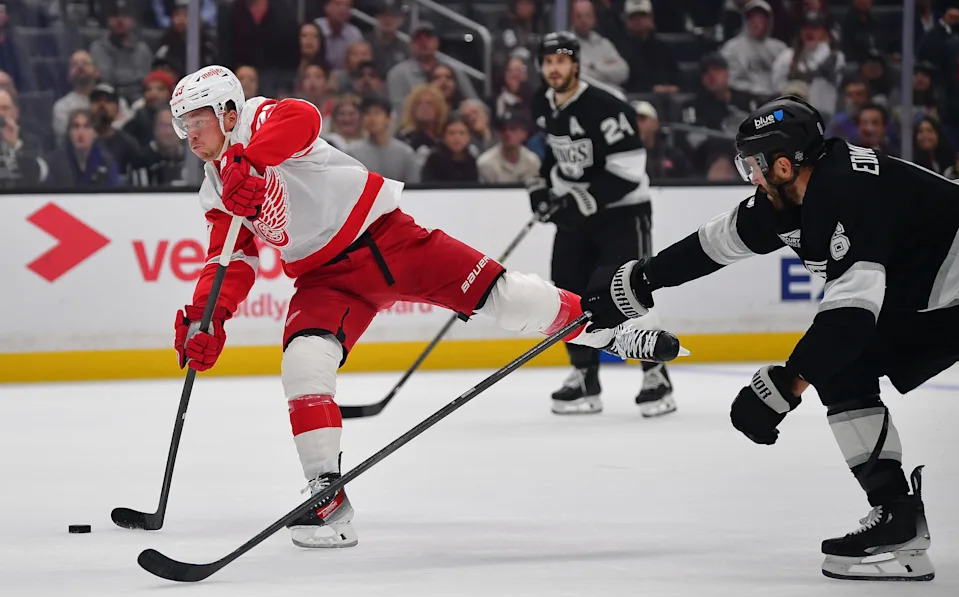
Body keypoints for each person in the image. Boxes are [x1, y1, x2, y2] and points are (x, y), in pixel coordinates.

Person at [168, 65, 673, 550]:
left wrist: (252, 159)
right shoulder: (214, 187)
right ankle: (327, 496)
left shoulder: (258, 118)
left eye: (197, 121)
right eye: (182, 125)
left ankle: (609, 332)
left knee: (508, 296)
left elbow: (303, 117)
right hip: (325, 280)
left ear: (229, 111)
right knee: (302, 361)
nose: (189, 136)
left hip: (387, 240)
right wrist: (208, 316)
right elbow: (229, 259)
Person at [583, 95, 959, 581]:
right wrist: (640, 281)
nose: (750, 177)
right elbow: (715, 244)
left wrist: (787, 385)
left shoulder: (846, 193)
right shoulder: (788, 195)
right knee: (845, 367)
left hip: (946, 296)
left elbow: (851, 316)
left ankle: (899, 521)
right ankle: (897, 518)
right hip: (939, 299)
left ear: (784, 164)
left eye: (753, 166)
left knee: (842, 356)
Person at [530, 32, 674, 417]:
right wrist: (540, 188)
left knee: (626, 291)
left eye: (561, 60)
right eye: (548, 61)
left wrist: (581, 200)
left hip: (622, 213)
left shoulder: (607, 106)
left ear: (576, 64)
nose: (554, 68)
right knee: (567, 293)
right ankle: (584, 376)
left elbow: (628, 171)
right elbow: (552, 155)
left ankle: (655, 374)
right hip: (579, 216)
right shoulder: (543, 103)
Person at [721, 0, 787, 106]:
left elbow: (786, 77)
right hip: (746, 99)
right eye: (752, 17)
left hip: (777, 97)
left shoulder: (780, 48)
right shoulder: (731, 48)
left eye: (761, 18)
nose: (756, 22)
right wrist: (755, 90)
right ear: (745, 20)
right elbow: (729, 80)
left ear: (769, 21)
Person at [346, 95, 419, 184]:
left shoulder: (405, 153)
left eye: (377, 113)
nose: (372, 119)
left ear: (388, 118)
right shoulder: (352, 153)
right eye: (367, 114)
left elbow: (414, 188)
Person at [46, 109, 120, 188]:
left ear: (95, 133)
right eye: (76, 127)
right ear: (69, 133)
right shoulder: (54, 162)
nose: (80, 133)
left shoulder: (106, 162)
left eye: (86, 127)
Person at [477, 111, 541, 184]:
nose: (507, 133)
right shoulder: (486, 162)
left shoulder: (533, 161)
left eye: (513, 129)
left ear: (524, 134)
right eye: (503, 129)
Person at [53, 50, 100, 139]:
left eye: (85, 63)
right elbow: (66, 139)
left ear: (96, 72)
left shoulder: (111, 100)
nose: (80, 67)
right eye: (75, 65)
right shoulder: (61, 107)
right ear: (68, 76)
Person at [420, 117, 478, 183]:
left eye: (462, 133)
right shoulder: (434, 160)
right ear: (444, 137)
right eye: (451, 133)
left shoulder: (471, 161)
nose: (457, 137)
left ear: (468, 137)